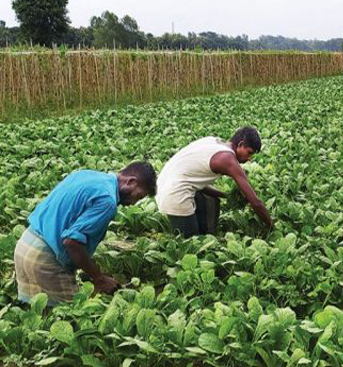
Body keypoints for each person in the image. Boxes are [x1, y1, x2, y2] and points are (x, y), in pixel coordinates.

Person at [14, 162, 157, 306]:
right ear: (131, 182)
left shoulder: (87, 175)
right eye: (137, 196)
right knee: (73, 314)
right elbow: (71, 242)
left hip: (25, 245)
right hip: (46, 259)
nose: (133, 203)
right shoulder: (107, 200)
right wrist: (99, 278)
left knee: (41, 312)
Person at [156, 126, 274, 237]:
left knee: (210, 200)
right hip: (174, 194)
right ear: (241, 144)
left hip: (165, 184)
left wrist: (226, 196)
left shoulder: (213, 142)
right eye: (249, 152)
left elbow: (195, 182)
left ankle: (207, 233)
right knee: (193, 244)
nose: (249, 159)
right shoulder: (227, 159)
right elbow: (255, 202)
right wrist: (272, 227)